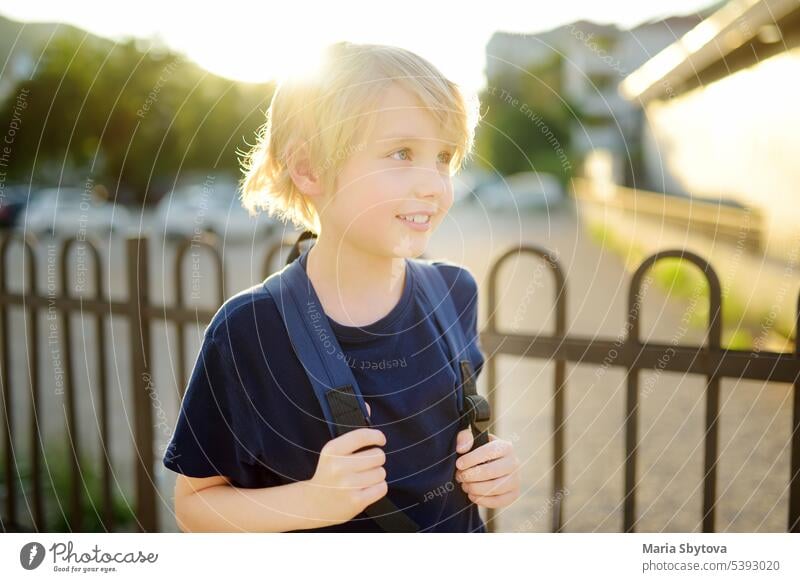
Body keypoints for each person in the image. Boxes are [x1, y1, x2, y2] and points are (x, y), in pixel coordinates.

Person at [162, 41, 520, 532]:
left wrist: (492, 466)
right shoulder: (251, 329)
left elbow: (446, 446)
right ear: (309, 168)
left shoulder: (455, 292)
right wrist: (313, 501)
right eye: (401, 153)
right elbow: (194, 507)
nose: (435, 185)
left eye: (443, 157)